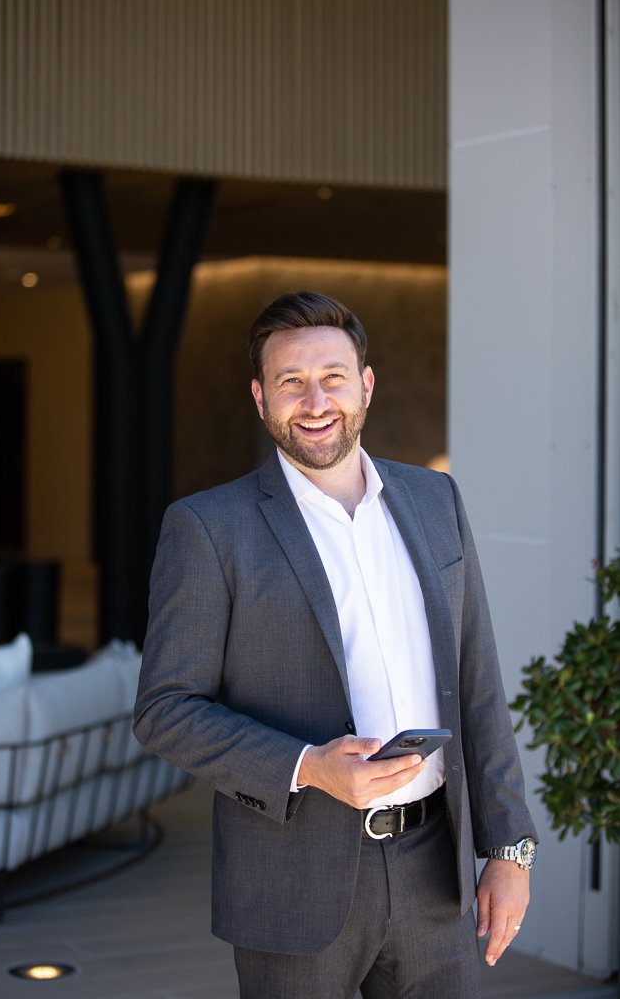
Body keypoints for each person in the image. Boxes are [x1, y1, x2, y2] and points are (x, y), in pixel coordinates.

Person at [134, 291, 537, 999]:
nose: (314, 400)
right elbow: (165, 709)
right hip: (290, 882)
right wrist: (307, 766)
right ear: (260, 398)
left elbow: (477, 683)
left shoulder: (435, 501)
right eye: (290, 381)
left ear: (366, 385)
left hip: (433, 874)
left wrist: (508, 848)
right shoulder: (207, 527)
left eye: (333, 377)